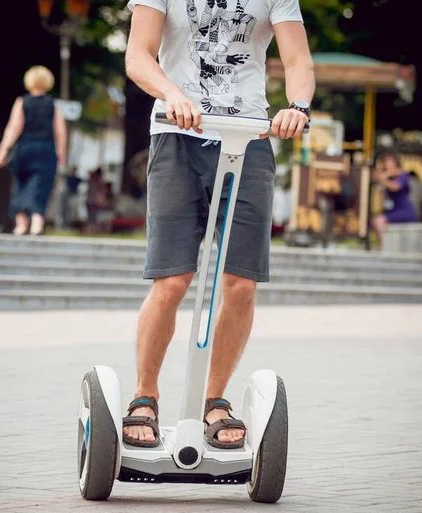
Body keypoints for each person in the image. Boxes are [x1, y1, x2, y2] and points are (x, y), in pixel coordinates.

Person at [122, 0, 314, 448]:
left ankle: (215, 400)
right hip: (176, 134)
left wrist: (297, 106)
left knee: (241, 284)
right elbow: (138, 54)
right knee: (172, 281)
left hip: (250, 137)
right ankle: (145, 395)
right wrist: (171, 93)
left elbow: (298, 60)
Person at [0, 66, 66, 235]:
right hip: (46, 149)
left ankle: (21, 224)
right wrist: (61, 152)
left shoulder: (22, 102)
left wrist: (3, 150)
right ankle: (37, 223)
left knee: (21, 184)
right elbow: (60, 131)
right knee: (41, 185)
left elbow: (14, 128)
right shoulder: (53, 105)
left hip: (24, 148)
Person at [371, 153, 417, 249]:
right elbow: (375, 177)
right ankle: (384, 247)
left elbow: (395, 187)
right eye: (386, 162)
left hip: (404, 210)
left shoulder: (403, 175)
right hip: (393, 209)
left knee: (378, 221)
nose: (387, 164)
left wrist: (384, 179)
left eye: (390, 162)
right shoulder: (389, 176)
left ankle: (384, 248)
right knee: (375, 221)